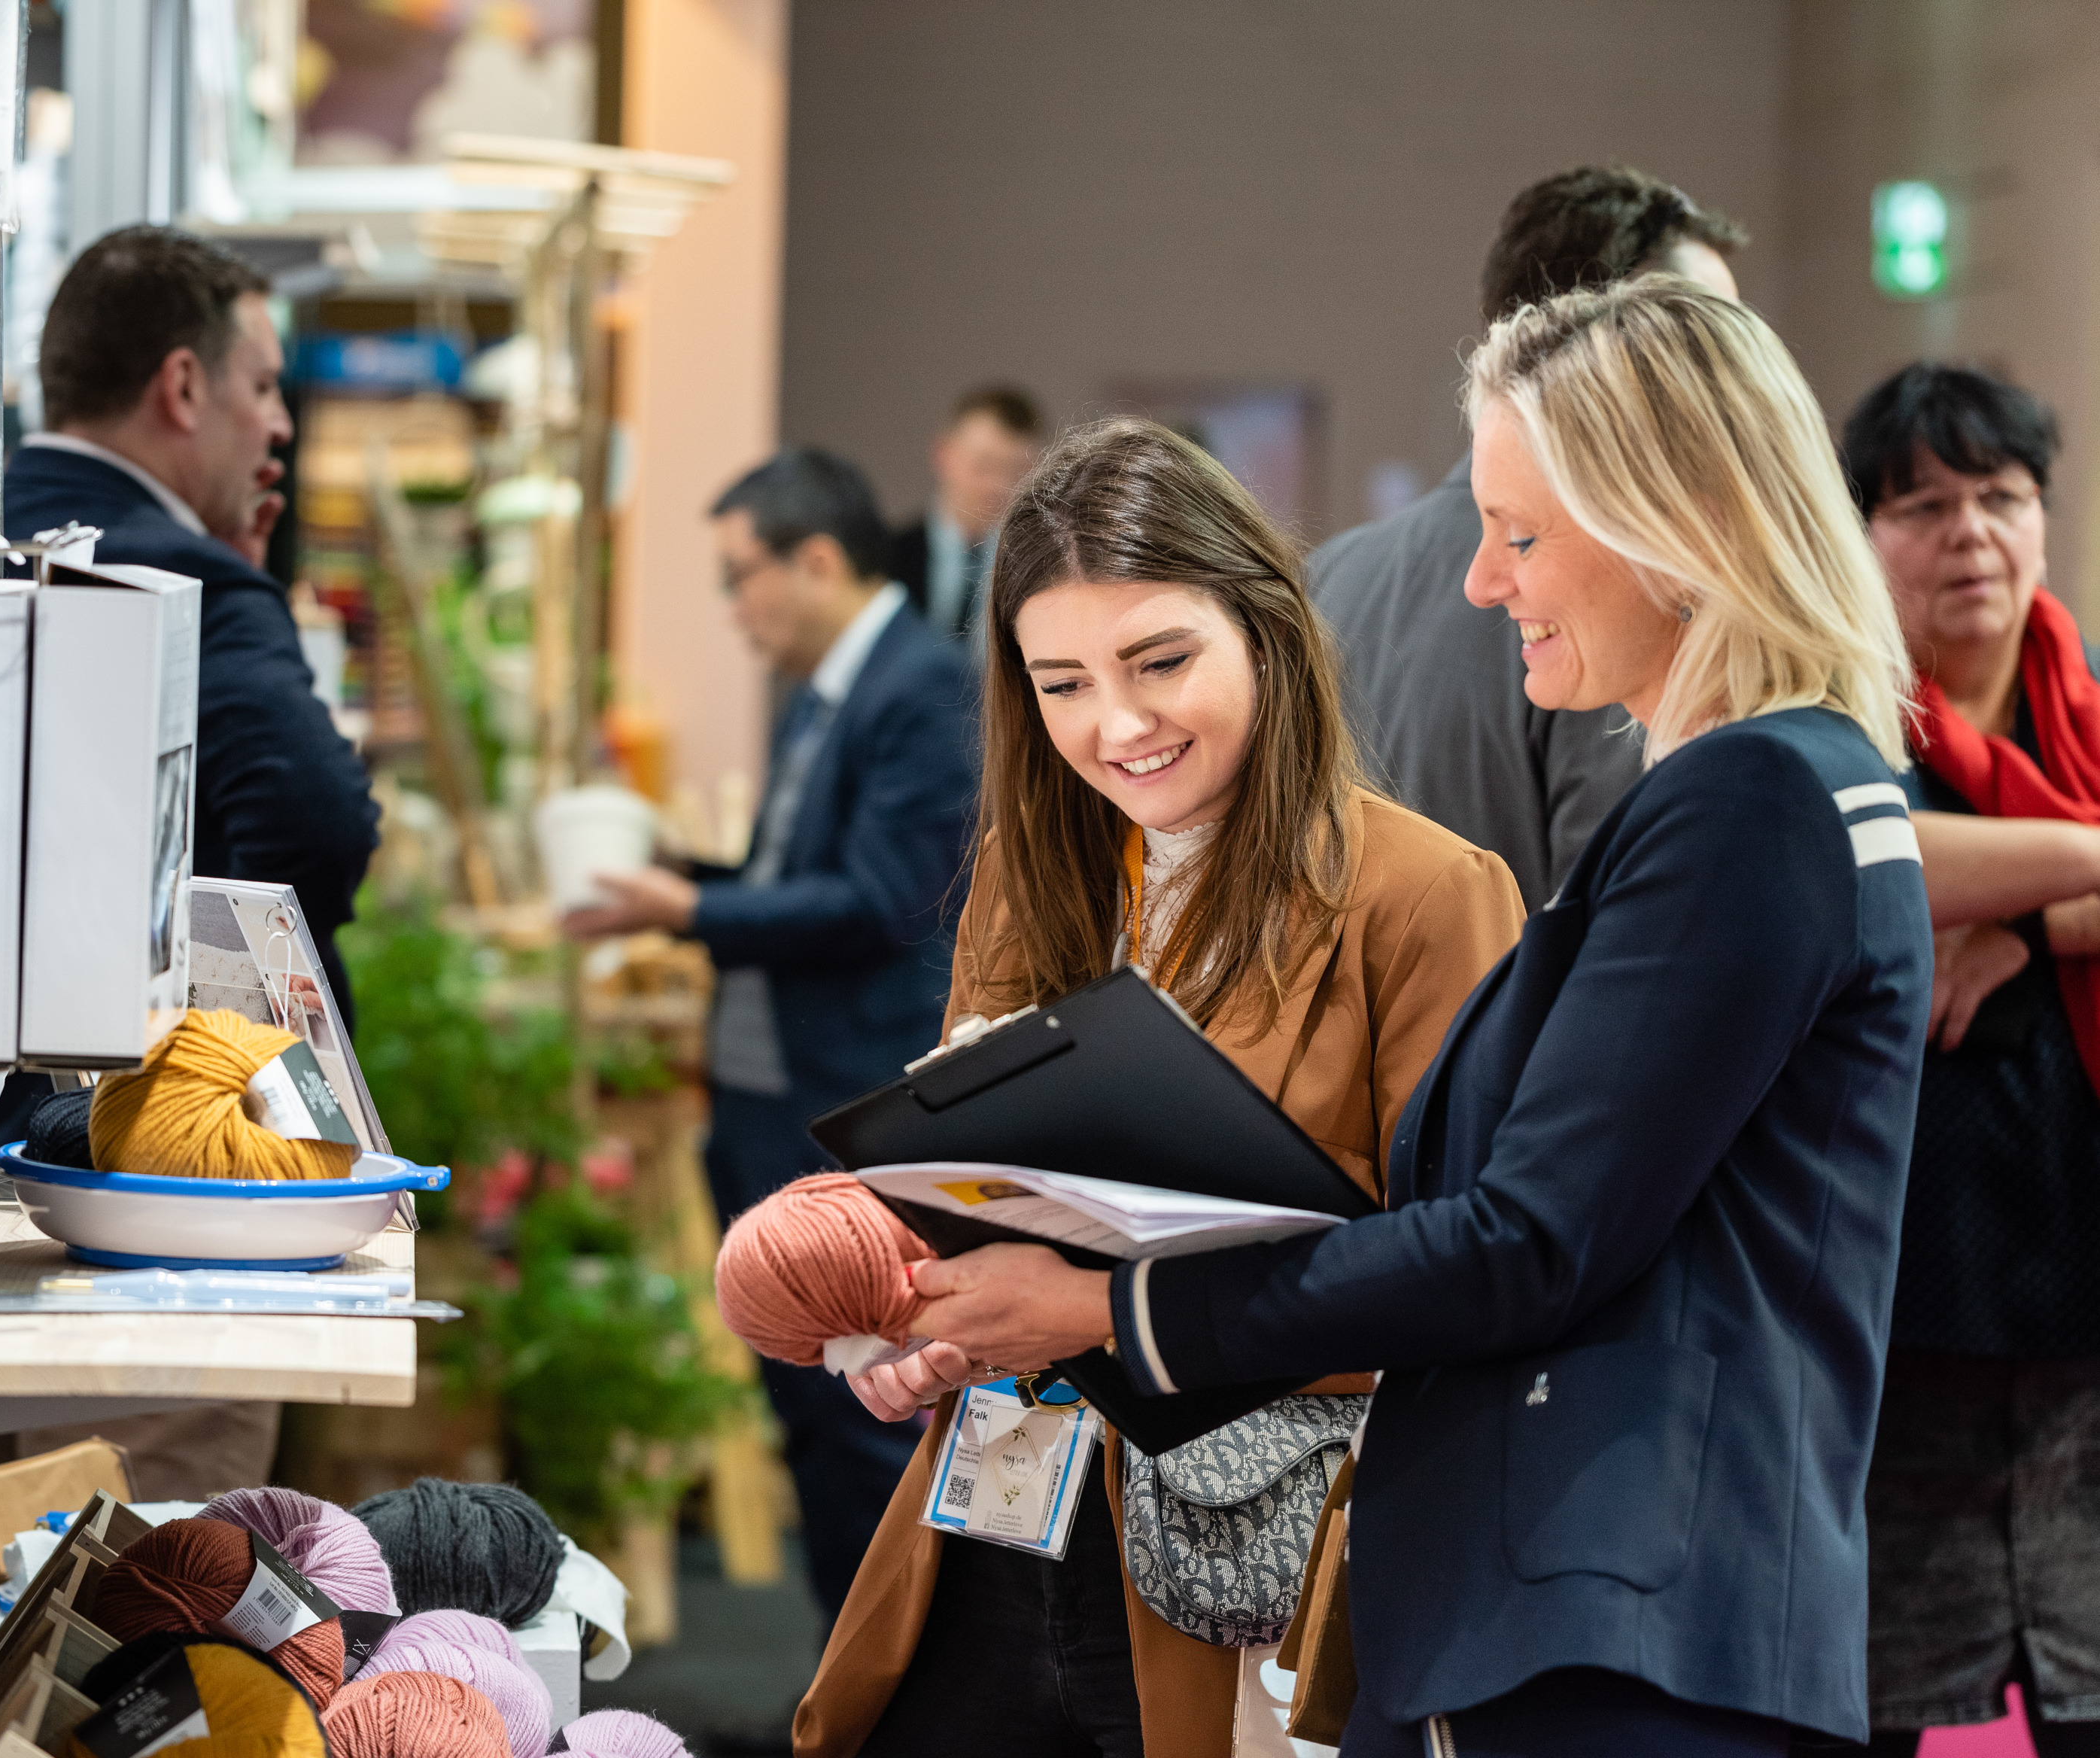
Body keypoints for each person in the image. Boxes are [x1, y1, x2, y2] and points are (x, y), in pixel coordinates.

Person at [855, 278, 1933, 1755]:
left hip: (1614, 1608)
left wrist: (1110, 1306)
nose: (1484, 583)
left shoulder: (1743, 799)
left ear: (1677, 519)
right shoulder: (1776, 788)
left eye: (1522, 533)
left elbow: (1524, 1240)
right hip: (1577, 1599)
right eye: (1062, 682)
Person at [792, 418, 1525, 1758]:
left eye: (1161, 661)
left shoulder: (1424, 896)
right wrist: (926, 1322)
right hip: (999, 1512)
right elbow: (972, 1187)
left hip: (1245, 1557)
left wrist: (1104, 1312)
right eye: (1060, 682)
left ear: (1265, 627)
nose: (1115, 724)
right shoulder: (1033, 864)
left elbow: (1466, 1280)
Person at [0, 227, 383, 1489]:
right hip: (172, 1182)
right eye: (265, 386)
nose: (282, 427)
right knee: (158, 1594)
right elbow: (321, 821)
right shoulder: (192, 576)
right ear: (184, 385)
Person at [559, 447, 978, 1626]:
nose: (735, 610)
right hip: (772, 1095)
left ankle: (888, 1695)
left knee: (864, 1415)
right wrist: (685, 878)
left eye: (743, 577)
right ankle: (838, 1681)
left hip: (844, 1095)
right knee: (809, 1407)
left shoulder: (916, 687)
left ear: (820, 560)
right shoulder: (836, 689)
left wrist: (684, 909)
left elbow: (878, 903)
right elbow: (795, 878)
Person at [1832, 363, 2100, 1756]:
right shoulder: (1847, 728)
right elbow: (1869, 861)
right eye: (1923, 505)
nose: (1971, 534)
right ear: (1862, 535)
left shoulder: (2091, 713)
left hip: (2086, 1322)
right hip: (1906, 1314)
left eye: (2000, 497)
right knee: (1866, 1708)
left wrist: (2030, 921)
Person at [1309, 165, 1748, 910]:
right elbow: (1624, 924)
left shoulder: (1325, 574)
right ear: (1601, 344)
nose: (1736, 378)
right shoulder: (1619, 594)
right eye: (1700, 340)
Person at [888, 384, 1044, 644]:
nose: (997, 486)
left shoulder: (1040, 566)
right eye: (982, 466)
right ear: (943, 455)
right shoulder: (889, 557)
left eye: (1016, 470)